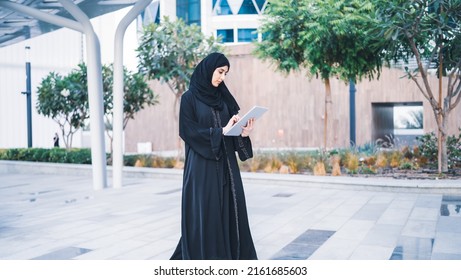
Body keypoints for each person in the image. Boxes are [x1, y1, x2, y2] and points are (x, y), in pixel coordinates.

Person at [170, 52, 258, 260]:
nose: (222, 78)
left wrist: (242, 134)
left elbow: (232, 135)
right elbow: (188, 132)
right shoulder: (189, 98)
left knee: (231, 214)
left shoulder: (225, 99)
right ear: (208, 69)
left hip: (227, 170)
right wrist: (221, 132)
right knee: (207, 217)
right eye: (220, 72)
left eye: (225, 74)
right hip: (202, 171)